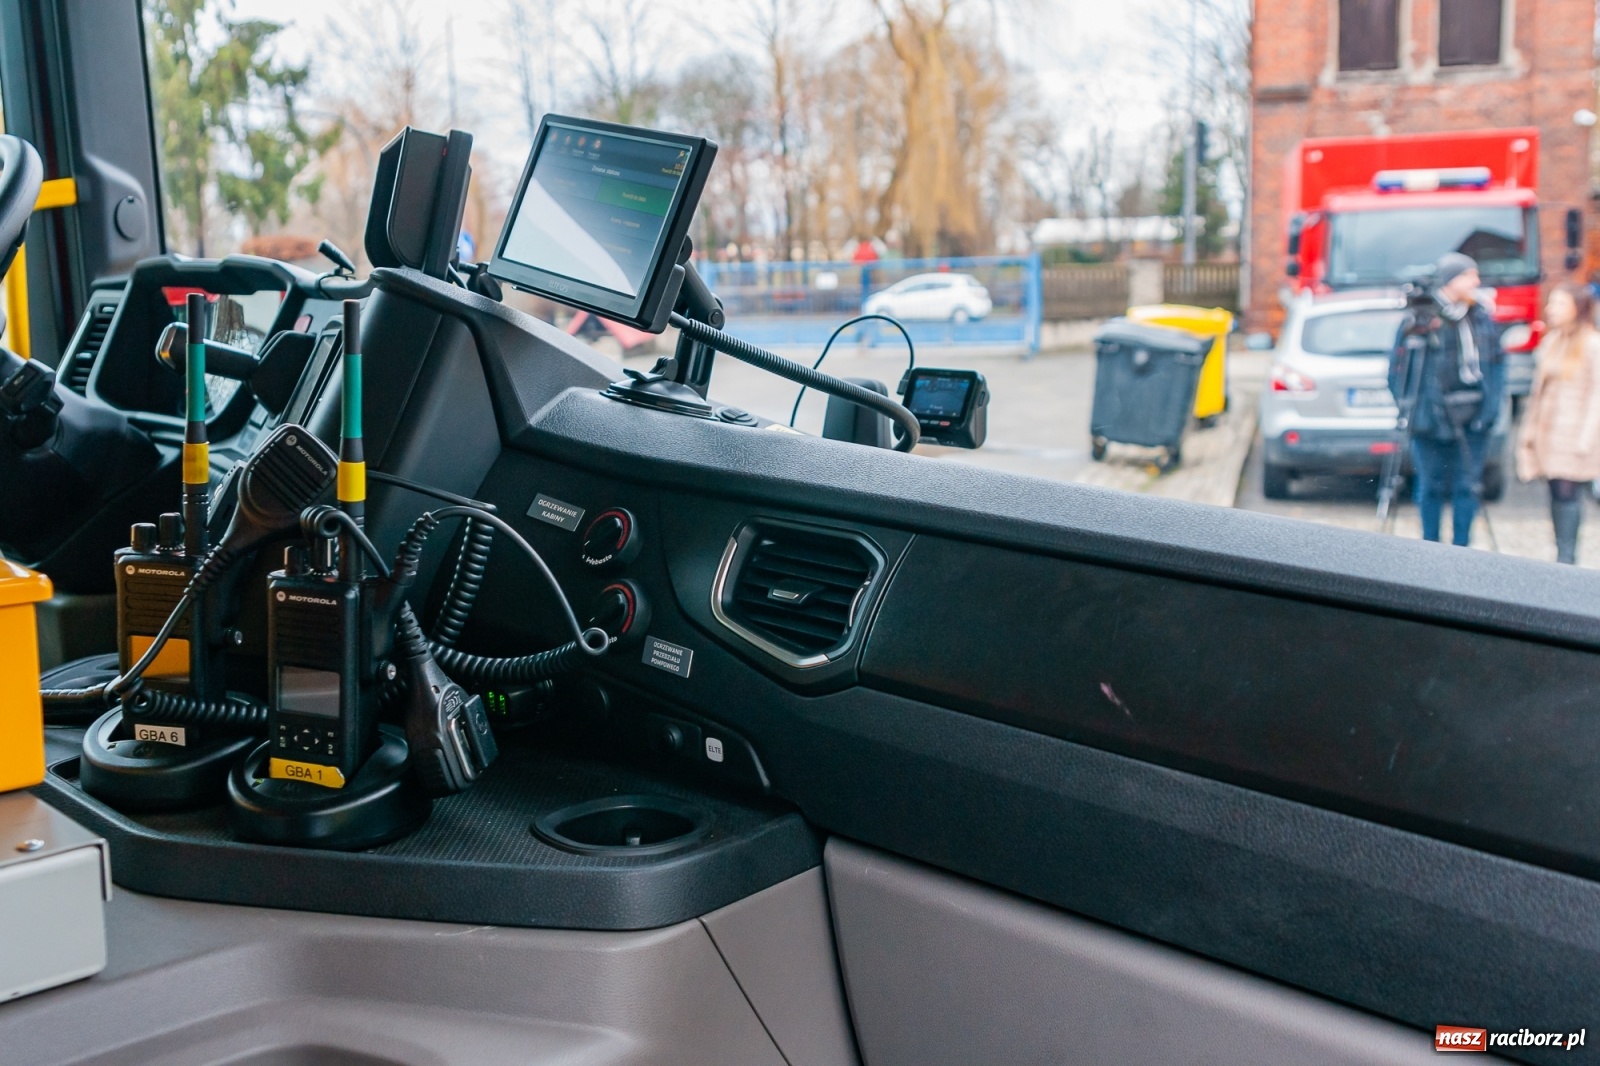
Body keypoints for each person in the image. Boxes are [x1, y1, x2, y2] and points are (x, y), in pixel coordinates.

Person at [1388, 252, 1505, 546]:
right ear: (1451, 281)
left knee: (1468, 486)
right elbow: (1397, 370)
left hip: (1473, 417)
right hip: (1429, 420)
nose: (1476, 282)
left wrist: (1490, 409)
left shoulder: (1480, 317)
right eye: (1469, 276)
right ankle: (1430, 546)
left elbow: (1497, 365)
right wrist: (1411, 409)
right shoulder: (1422, 319)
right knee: (1430, 486)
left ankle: (1462, 548)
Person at [1516, 284, 1600, 564]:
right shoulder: (1552, 341)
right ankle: (1562, 553)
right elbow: (1540, 392)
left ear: (1578, 307)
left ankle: (1567, 557)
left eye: (1560, 304)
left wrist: (1587, 438)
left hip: (1576, 433)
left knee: (1568, 493)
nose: (1552, 310)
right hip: (1550, 432)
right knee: (1556, 491)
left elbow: (1597, 395)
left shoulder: (1591, 343)